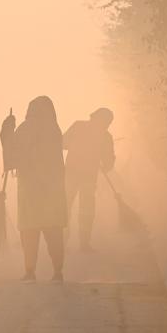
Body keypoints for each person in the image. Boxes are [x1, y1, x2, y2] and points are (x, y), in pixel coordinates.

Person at [0, 96, 67, 284]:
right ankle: (57, 272)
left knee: (30, 231)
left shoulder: (26, 127)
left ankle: (30, 272)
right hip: (53, 190)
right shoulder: (55, 129)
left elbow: (12, 154)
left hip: (31, 189)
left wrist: (7, 130)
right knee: (54, 231)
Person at [63, 107, 115, 252]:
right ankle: (77, 241)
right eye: (106, 122)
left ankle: (72, 241)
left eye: (107, 123)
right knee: (79, 208)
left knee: (73, 207)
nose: (106, 125)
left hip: (78, 175)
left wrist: (106, 164)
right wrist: (106, 164)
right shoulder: (104, 136)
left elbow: (63, 142)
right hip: (78, 175)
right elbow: (63, 142)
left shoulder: (80, 127)